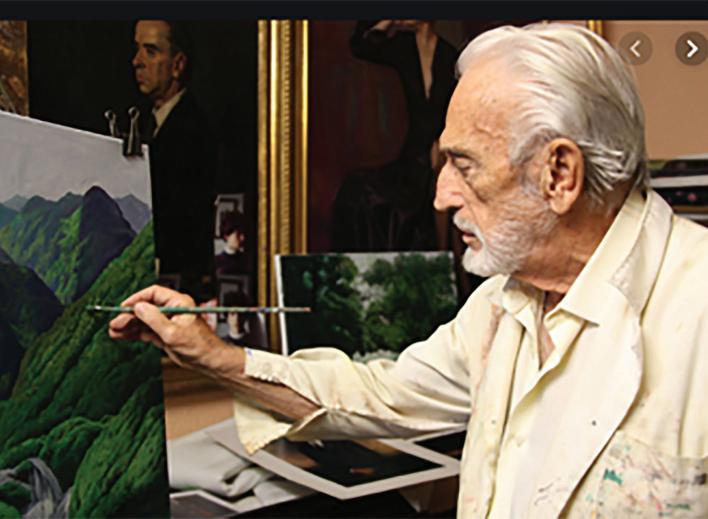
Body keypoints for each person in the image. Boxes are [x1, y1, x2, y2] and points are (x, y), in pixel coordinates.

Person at [110, 23, 708, 517]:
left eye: (464, 166)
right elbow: (382, 396)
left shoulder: (696, 307)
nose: (441, 196)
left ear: (559, 174)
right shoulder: (502, 304)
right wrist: (214, 357)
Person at [332, 20, 457, 252]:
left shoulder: (449, 55)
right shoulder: (401, 46)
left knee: (434, 185)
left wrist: (443, 144)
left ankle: (441, 257)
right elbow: (360, 46)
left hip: (439, 149)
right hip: (406, 150)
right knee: (363, 194)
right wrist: (388, 21)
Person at [132, 20, 216, 296]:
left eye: (150, 51)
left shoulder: (192, 131)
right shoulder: (149, 123)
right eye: (137, 50)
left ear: (178, 65)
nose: (137, 62)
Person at [214, 209, 249, 276]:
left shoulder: (246, 260)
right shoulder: (217, 261)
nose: (243, 238)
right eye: (238, 234)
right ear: (226, 236)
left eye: (243, 233)